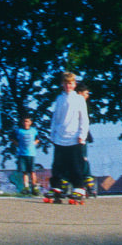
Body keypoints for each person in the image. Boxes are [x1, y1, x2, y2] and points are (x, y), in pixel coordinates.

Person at [48, 71, 89, 200]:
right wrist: (53, 134)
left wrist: (82, 134)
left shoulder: (79, 99)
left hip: (74, 138)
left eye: (70, 83)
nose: (68, 86)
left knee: (75, 165)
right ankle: (57, 187)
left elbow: (84, 119)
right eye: (65, 83)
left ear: (74, 84)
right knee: (57, 165)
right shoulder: (59, 99)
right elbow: (55, 118)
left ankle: (79, 188)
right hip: (60, 138)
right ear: (62, 84)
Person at [15, 112, 38, 196]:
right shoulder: (19, 131)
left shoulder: (33, 131)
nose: (26, 123)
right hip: (22, 154)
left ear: (30, 122)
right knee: (24, 172)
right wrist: (17, 144)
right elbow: (12, 137)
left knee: (32, 171)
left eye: (27, 121)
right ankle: (26, 187)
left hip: (31, 154)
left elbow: (38, 139)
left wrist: (34, 143)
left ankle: (34, 187)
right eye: (24, 121)